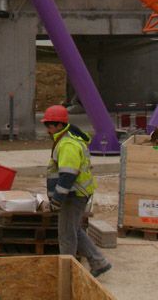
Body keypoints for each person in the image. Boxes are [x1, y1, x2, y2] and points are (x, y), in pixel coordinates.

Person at [43, 105, 112, 278]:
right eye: (47, 124)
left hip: (73, 194)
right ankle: (99, 262)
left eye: (50, 124)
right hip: (76, 193)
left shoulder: (67, 144)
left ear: (60, 125)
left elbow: (68, 175)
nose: (48, 128)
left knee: (66, 234)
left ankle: (67, 273)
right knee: (73, 229)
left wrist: (57, 199)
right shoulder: (66, 138)